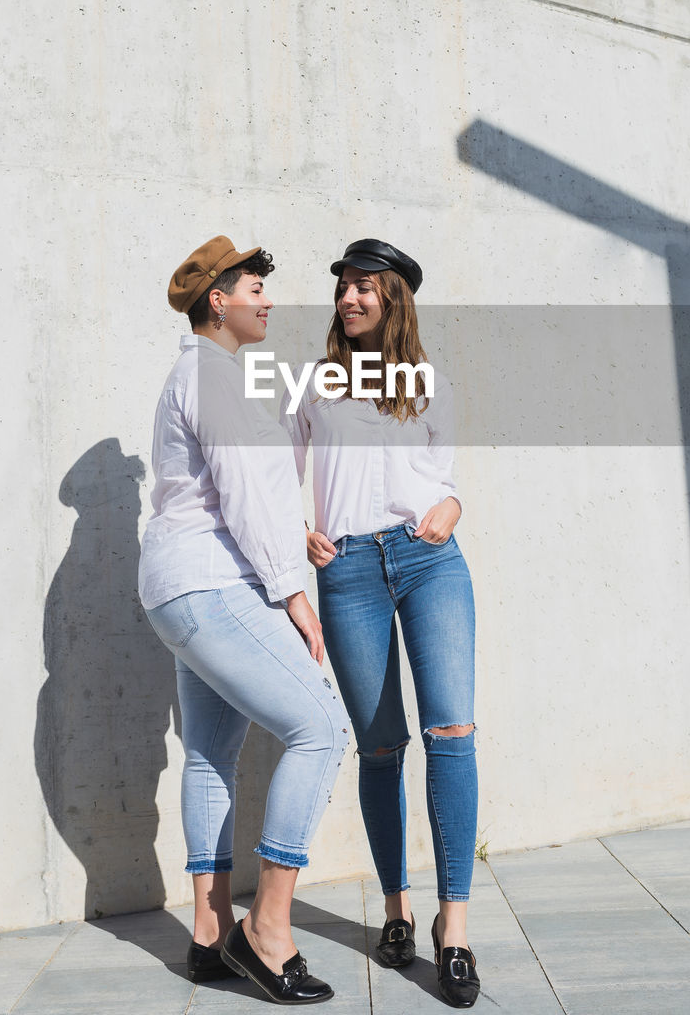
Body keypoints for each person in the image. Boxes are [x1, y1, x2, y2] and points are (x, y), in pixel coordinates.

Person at [139, 235, 349, 1006]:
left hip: (179, 587)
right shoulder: (213, 375)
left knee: (207, 758)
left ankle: (206, 937)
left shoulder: (203, 376)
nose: (266, 298)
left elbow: (230, 488)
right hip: (211, 586)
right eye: (253, 286)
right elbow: (243, 494)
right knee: (321, 730)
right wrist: (292, 590)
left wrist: (289, 533)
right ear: (215, 300)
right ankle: (266, 927)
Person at [279, 238, 480, 1009]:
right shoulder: (315, 384)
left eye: (365, 287)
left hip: (430, 562)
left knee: (451, 734)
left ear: (394, 297)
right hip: (350, 572)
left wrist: (452, 506)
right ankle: (396, 910)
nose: (349, 299)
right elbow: (274, 472)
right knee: (380, 747)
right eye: (344, 288)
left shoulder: (428, 382)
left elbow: (446, 480)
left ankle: (452, 928)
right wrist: (298, 532)